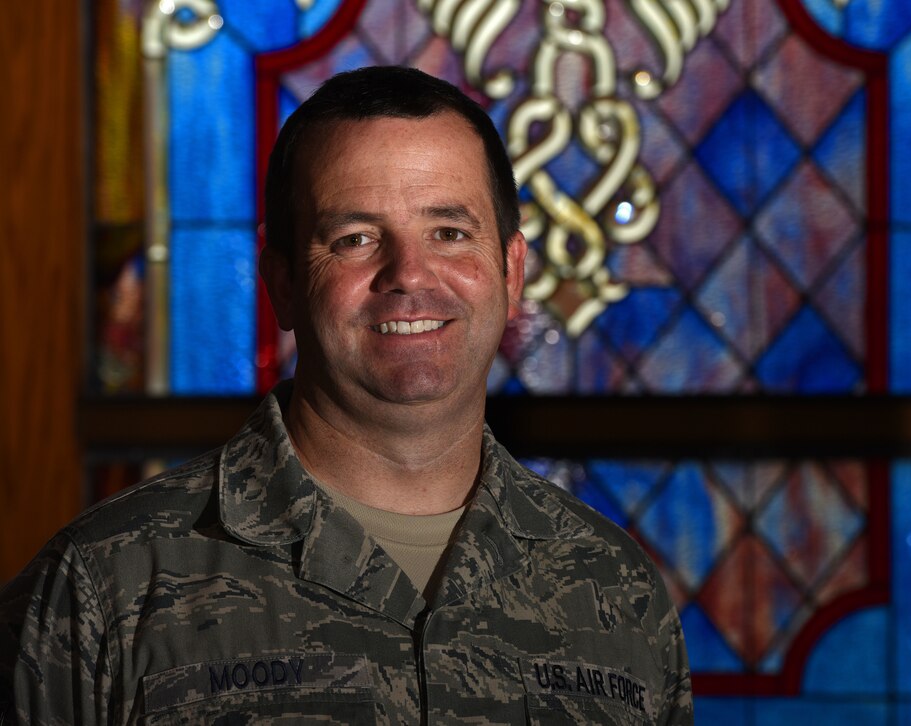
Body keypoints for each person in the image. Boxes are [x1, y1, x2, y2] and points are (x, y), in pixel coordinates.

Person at [0, 66, 692, 724]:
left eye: (449, 233)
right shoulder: (102, 586)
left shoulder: (618, 593)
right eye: (356, 239)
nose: (409, 274)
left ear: (512, 272)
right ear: (282, 283)